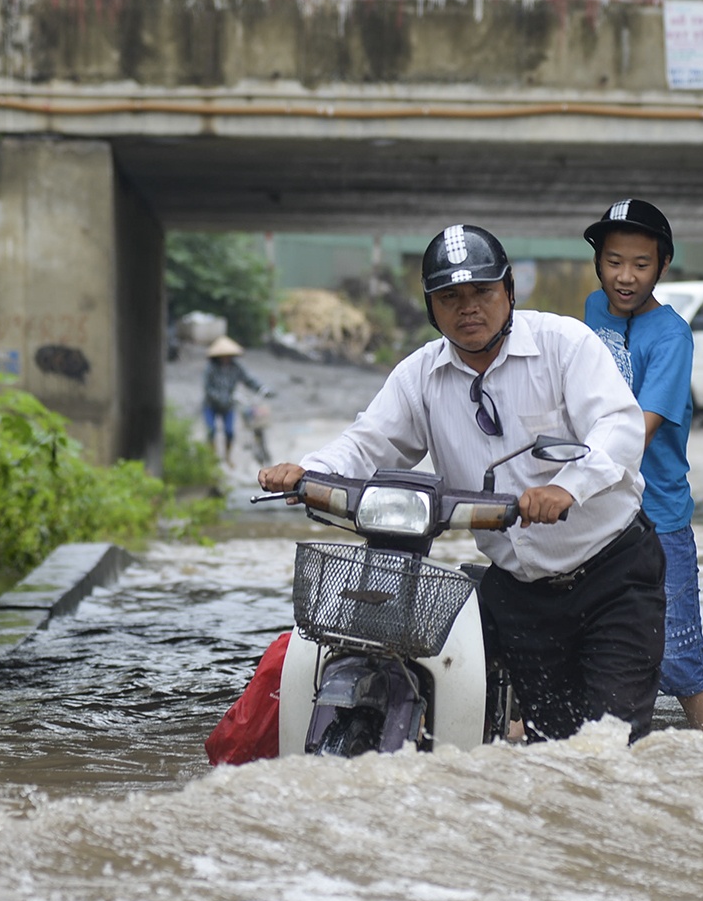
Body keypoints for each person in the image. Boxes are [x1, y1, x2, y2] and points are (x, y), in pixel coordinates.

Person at [257, 223, 665, 745]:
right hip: (519, 592)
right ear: (432, 308)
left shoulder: (565, 345)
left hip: (613, 577)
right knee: (554, 752)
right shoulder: (419, 376)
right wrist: (307, 471)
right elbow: (367, 443)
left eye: (482, 292)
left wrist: (567, 487)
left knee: (611, 749)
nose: (468, 308)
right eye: (450, 297)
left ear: (510, 291)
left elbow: (619, 426)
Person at [581, 198, 703, 734]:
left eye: (641, 265)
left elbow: (638, 428)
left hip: (657, 519)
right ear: (598, 260)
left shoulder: (671, 336)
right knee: (581, 647)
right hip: (596, 514)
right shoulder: (592, 313)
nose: (625, 277)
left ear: (663, 266)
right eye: (614, 261)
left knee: (680, 659)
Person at [203, 335, 266, 465]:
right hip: (211, 405)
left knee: (229, 432)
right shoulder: (210, 368)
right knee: (211, 430)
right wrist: (220, 398)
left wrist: (262, 388)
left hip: (228, 406)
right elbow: (207, 388)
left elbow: (248, 380)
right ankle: (211, 458)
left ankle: (227, 456)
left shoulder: (236, 368)